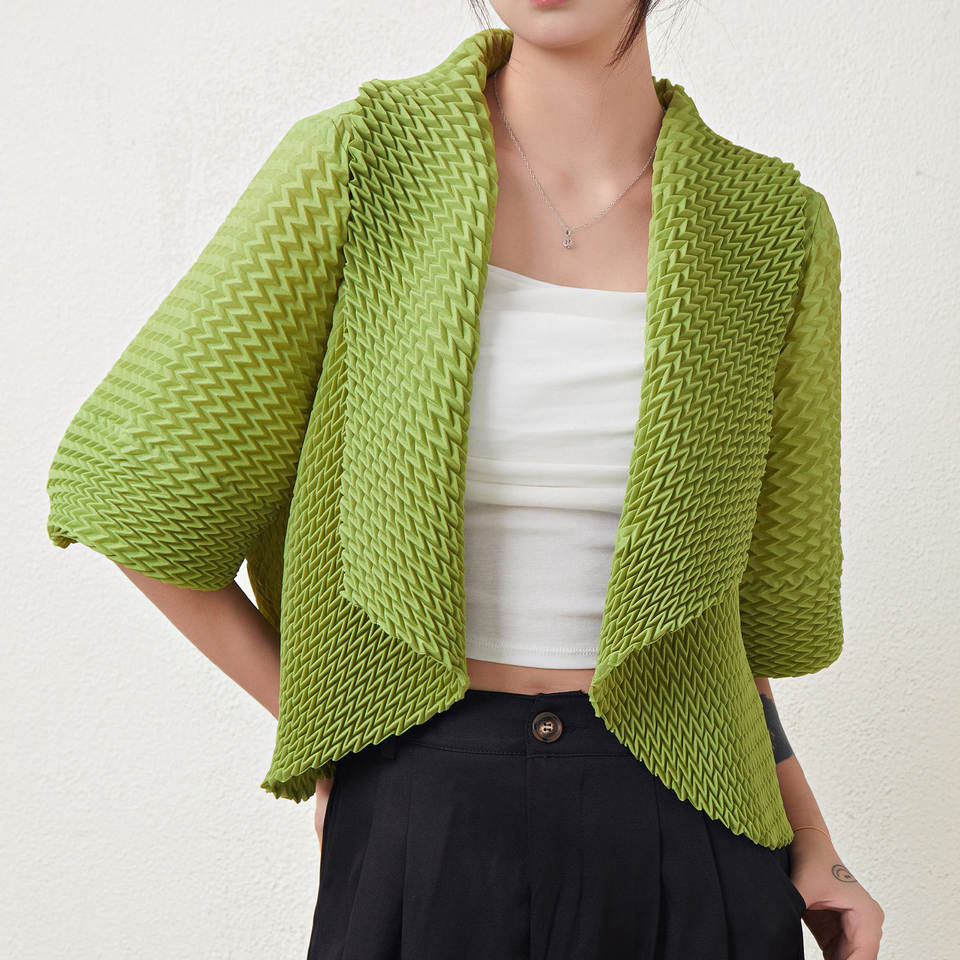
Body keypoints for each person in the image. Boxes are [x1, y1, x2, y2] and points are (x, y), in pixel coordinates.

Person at [45, 2, 885, 958]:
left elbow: (729, 627)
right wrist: (336, 719)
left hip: (691, 826)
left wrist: (815, 841)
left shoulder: (772, 228)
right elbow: (134, 492)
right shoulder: (360, 166)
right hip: (423, 808)